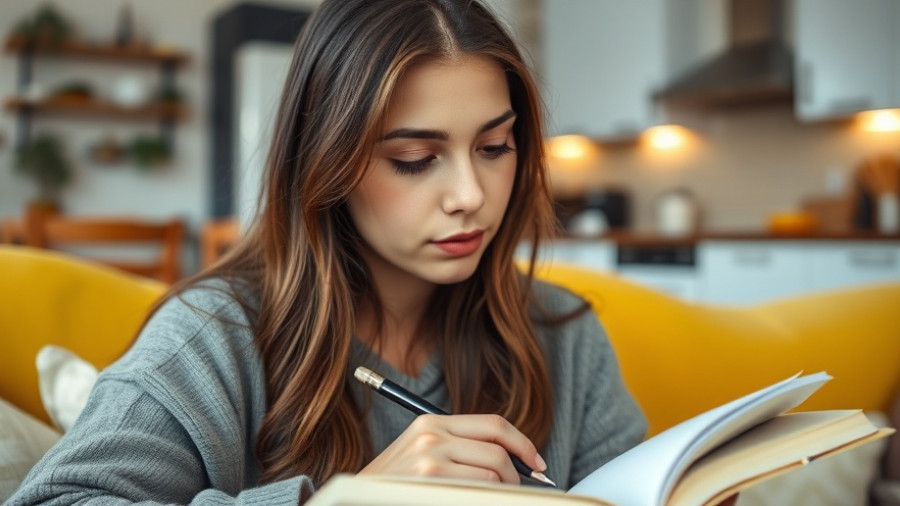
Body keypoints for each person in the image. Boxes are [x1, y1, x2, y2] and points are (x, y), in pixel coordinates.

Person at [8, 0, 647, 503]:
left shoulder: (566, 335)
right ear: (326, 163)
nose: (469, 195)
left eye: (494, 147)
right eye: (415, 159)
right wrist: (350, 504)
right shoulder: (214, 337)